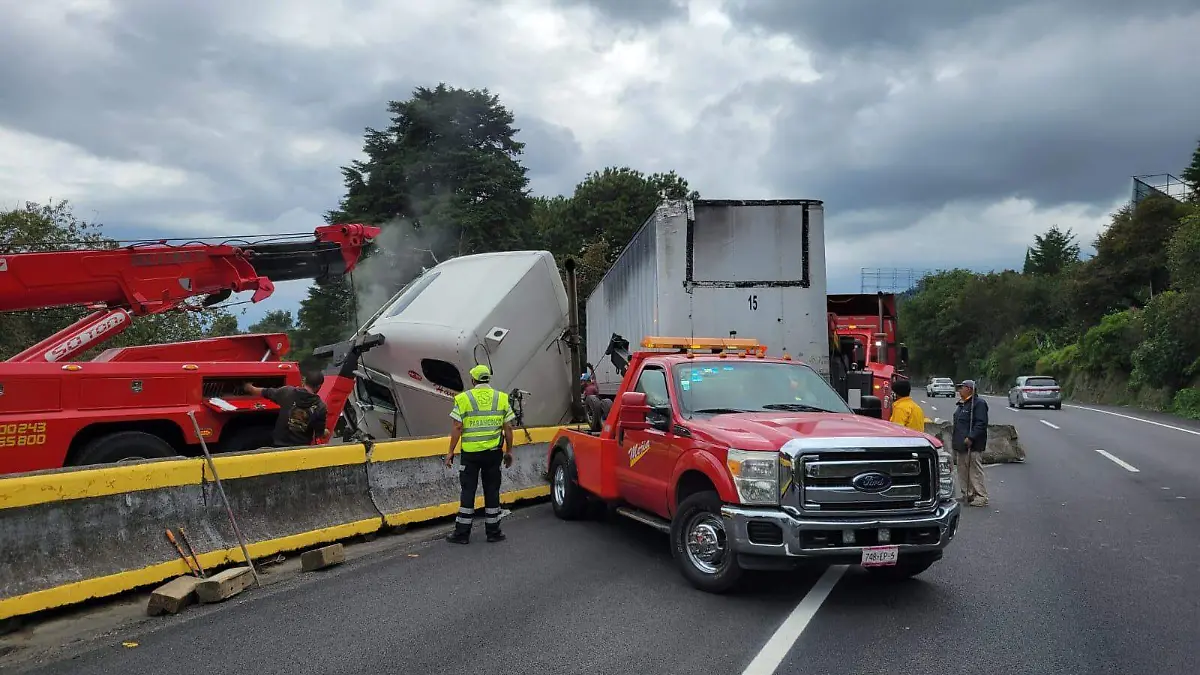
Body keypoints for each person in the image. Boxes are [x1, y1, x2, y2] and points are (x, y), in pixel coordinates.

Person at [443, 364, 515, 544]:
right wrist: (509, 451)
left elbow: (457, 427)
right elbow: (508, 429)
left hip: (471, 455)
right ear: (488, 379)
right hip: (493, 454)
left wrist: (451, 451)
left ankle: (462, 534)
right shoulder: (502, 398)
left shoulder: (463, 398)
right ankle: (493, 532)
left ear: (473, 380)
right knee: (492, 490)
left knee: (468, 491)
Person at [243, 370, 329, 447]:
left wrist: (248, 387)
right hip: (301, 449)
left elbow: (264, 392)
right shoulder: (320, 406)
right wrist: (326, 432)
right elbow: (320, 434)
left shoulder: (287, 392)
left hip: (279, 446)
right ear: (319, 386)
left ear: (304, 381)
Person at [951, 379, 989, 507]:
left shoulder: (978, 404)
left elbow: (981, 423)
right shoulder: (963, 404)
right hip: (960, 445)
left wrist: (971, 437)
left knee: (974, 470)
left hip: (972, 445)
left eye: (962, 387)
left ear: (969, 389)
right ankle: (968, 493)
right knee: (962, 470)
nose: (959, 390)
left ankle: (981, 495)